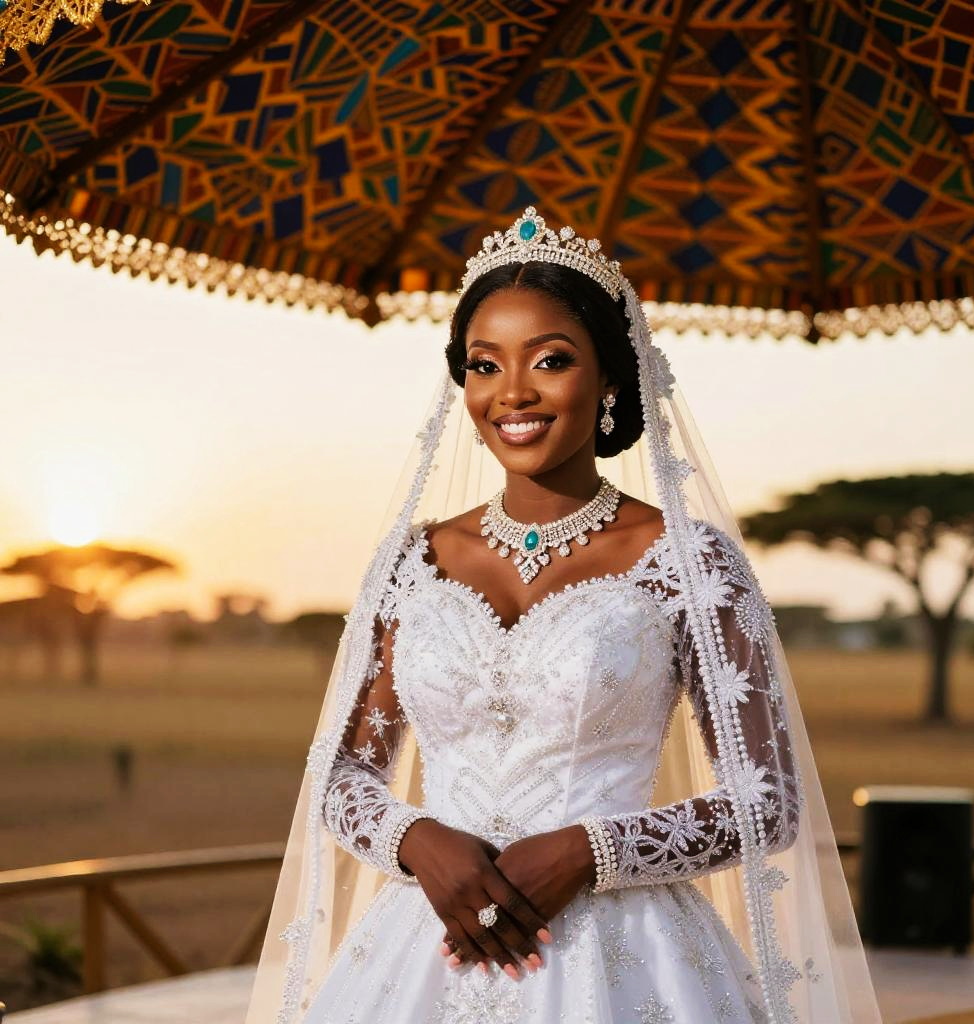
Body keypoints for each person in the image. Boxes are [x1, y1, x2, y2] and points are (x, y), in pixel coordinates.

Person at [244, 207, 883, 1024]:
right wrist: (420, 843)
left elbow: (766, 800)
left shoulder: (690, 562)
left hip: (624, 963)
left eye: (550, 360)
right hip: (425, 947)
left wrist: (591, 851)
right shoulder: (414, 560)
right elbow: (342, 776)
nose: (512, 393)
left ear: (611, 378)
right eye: (484, 365)